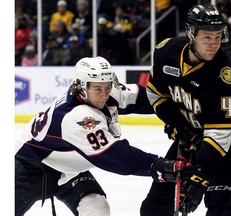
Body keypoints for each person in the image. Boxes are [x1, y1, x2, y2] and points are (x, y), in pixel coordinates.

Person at [15, 56, 194, 216]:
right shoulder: (76, 118)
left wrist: (183, 103)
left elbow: (145, 98)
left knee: (97, 209)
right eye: (98, 89)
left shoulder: (106, 92)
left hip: (69, 170)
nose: (104, 94)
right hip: (27, 170)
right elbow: (115, 156)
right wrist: (158, 165)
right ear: (81, 87)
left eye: (107, 87)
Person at [141, 4, 231, 216]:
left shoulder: (225, 72)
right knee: (155, 207)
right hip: (190, 138)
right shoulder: (166, 52)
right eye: (207, 37)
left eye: (218, 36)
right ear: (191, 33)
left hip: (230, 146)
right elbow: (157, 94)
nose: (214, 43)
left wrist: (201, 174)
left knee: (223, 212)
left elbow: (220, 132)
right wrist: (176, 124)